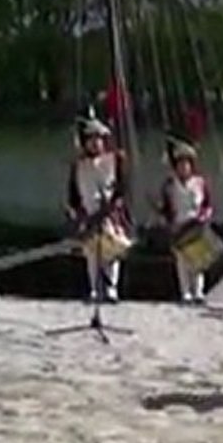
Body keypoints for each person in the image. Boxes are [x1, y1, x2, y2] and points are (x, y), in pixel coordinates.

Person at [66, 111, 130, 303]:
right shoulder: (78, 165)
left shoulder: (114, 160)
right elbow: (73, 192)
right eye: (91, 139)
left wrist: (114, 205)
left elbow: (122, 186)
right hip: (89, 213)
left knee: (111, 252)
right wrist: (77, 213)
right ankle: (95, 288)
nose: (95, 143)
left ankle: (111, 288)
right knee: (92, 255)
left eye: (98, 139)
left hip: (110, 212)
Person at [159, 134, 213, 305]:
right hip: (179, 225)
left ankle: (198, 292)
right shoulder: (169, 185)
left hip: (196, 224)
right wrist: (169, 222)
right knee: (182, 262)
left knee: (197, 260)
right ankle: (185, 292)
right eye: (180, 164)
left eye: (186, 164)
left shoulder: (200, 182)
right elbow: (166, 208)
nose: (184, 168)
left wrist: (204, 216)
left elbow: (208, 204)